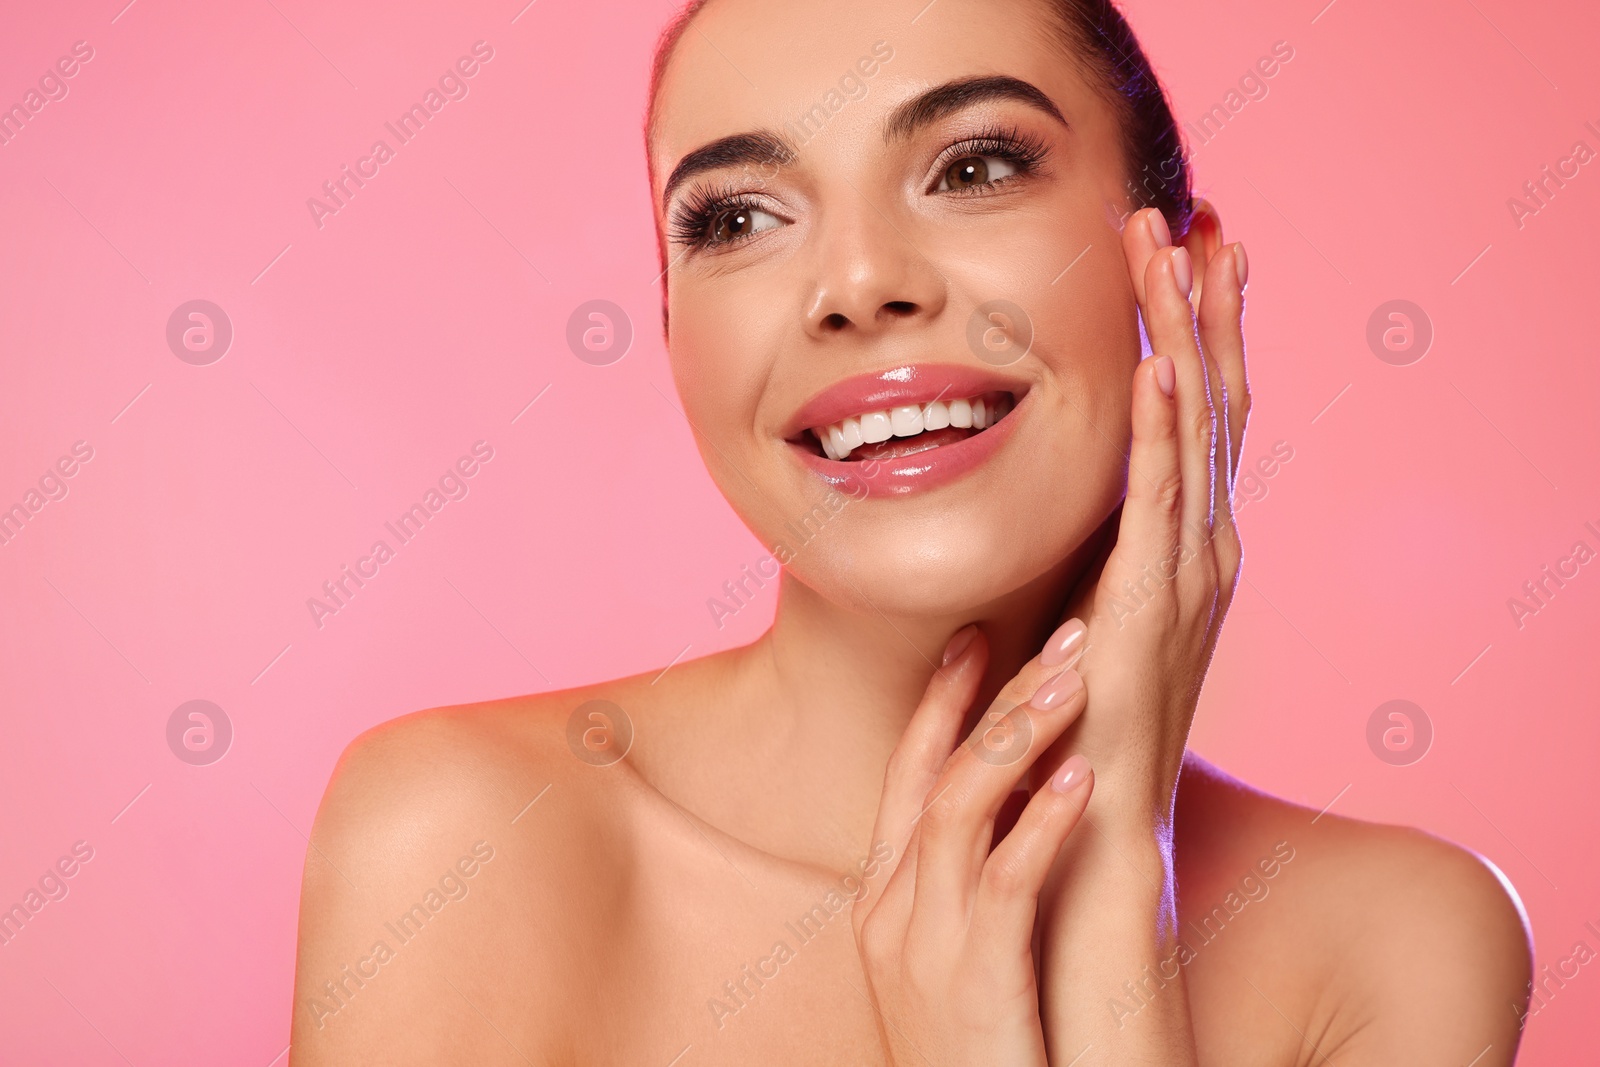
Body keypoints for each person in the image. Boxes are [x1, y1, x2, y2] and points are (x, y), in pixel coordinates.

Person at [289, 0, 1533, 1062]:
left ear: (1183, 278)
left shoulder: (1396, 941)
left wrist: (1111, 910)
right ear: (671, 331)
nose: (855, 282)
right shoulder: (458, 841)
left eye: (974, 166)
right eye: (735, 219)